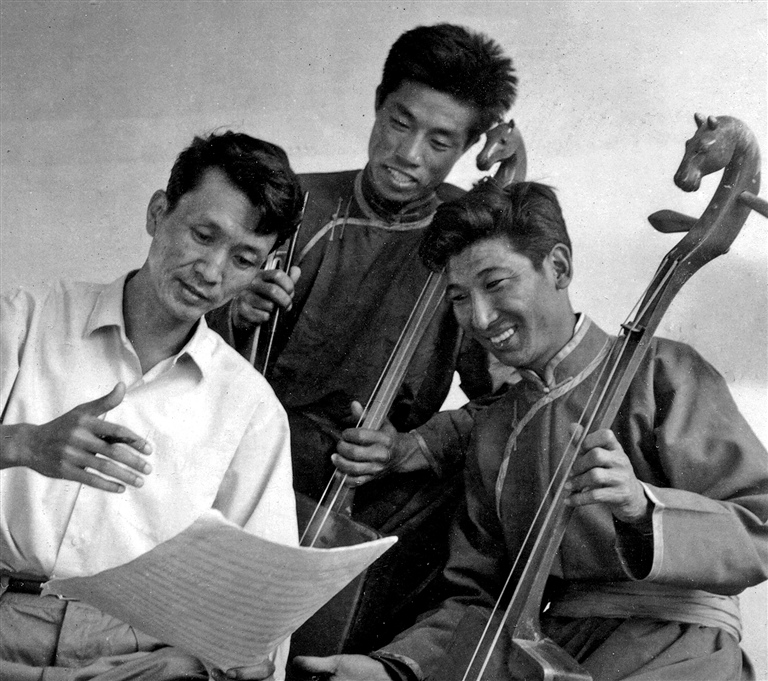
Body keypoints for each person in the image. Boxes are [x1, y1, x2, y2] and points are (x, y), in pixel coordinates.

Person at [294, 180, 768, 680]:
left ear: (558, 267)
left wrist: (642, 508)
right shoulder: (494, 428)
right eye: (459, 297)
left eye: (496, 284)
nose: (479, 318)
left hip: (680, 650)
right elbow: (478, 600)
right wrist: (393, 670)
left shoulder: (663, 371)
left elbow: (760, 527)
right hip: (552, 659)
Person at [208, 24, 518, 650]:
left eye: (440, 142)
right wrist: (232, 311)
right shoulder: (295, 203)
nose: (409, 154)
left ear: (469, 147)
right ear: (378, 105)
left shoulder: (467, 239)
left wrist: (412, 447)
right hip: (248, 466)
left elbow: (509, 396)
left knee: (488, 488)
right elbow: (176, 322)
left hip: (369, 491)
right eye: (400, 123)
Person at [0, 131, 305, 680]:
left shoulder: (252, 409)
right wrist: (23, 444)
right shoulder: (27, 318)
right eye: (203, 235)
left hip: (140, 658)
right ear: (158, 212)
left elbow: (263, 600)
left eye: (244, 259)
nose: (212, 272)